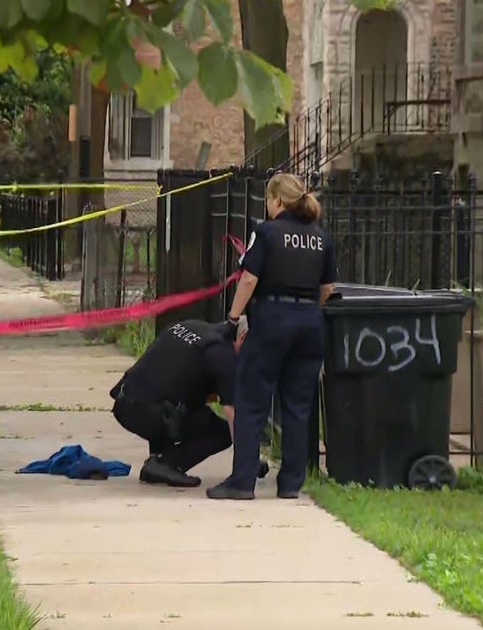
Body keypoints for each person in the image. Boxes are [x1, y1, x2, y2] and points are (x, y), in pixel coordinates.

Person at [206, 172, 336, 501]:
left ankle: (243, 482)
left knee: (251, 401)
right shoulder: (321, 237)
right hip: (309, 323)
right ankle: (291, 483)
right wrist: (306, 310)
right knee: (297, 405)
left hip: (272, 321)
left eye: (268, 199)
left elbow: (249, 279)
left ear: (277, 200)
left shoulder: (265, 232)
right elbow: (328, 289)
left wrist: (234, 318)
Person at [109, 317, 270, 488]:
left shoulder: (191, 326)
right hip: (148, 413)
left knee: (187, 404)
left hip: (125, 401)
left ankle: (160, 458)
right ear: (243, 338)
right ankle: (166, 464)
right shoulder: (223, 355)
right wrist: (247, 462)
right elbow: (233, 415)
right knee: (221, 433)